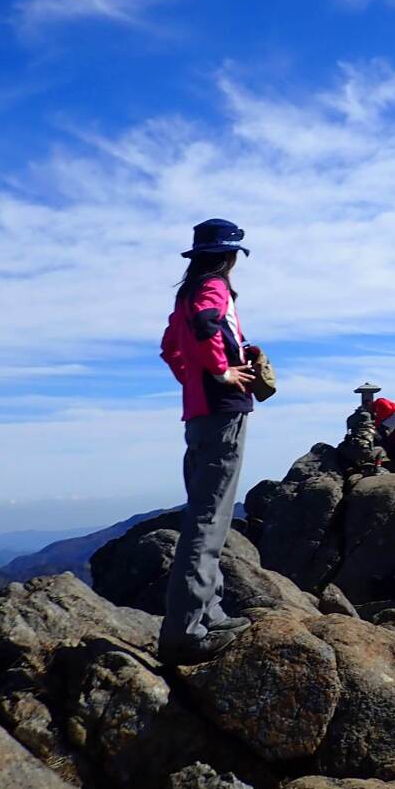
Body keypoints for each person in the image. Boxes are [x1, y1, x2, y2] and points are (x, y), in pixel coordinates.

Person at [158, 218, 257, 664]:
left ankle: (210, 613)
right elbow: (206, 325)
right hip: (221, 411)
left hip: (199, 412)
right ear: (229, 256)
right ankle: (188, 631)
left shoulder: (187, 291)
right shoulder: (214, 287)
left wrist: (194, 378)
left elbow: (170, 347)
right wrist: (221, 373)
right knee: (209, 519)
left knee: (206, 513)